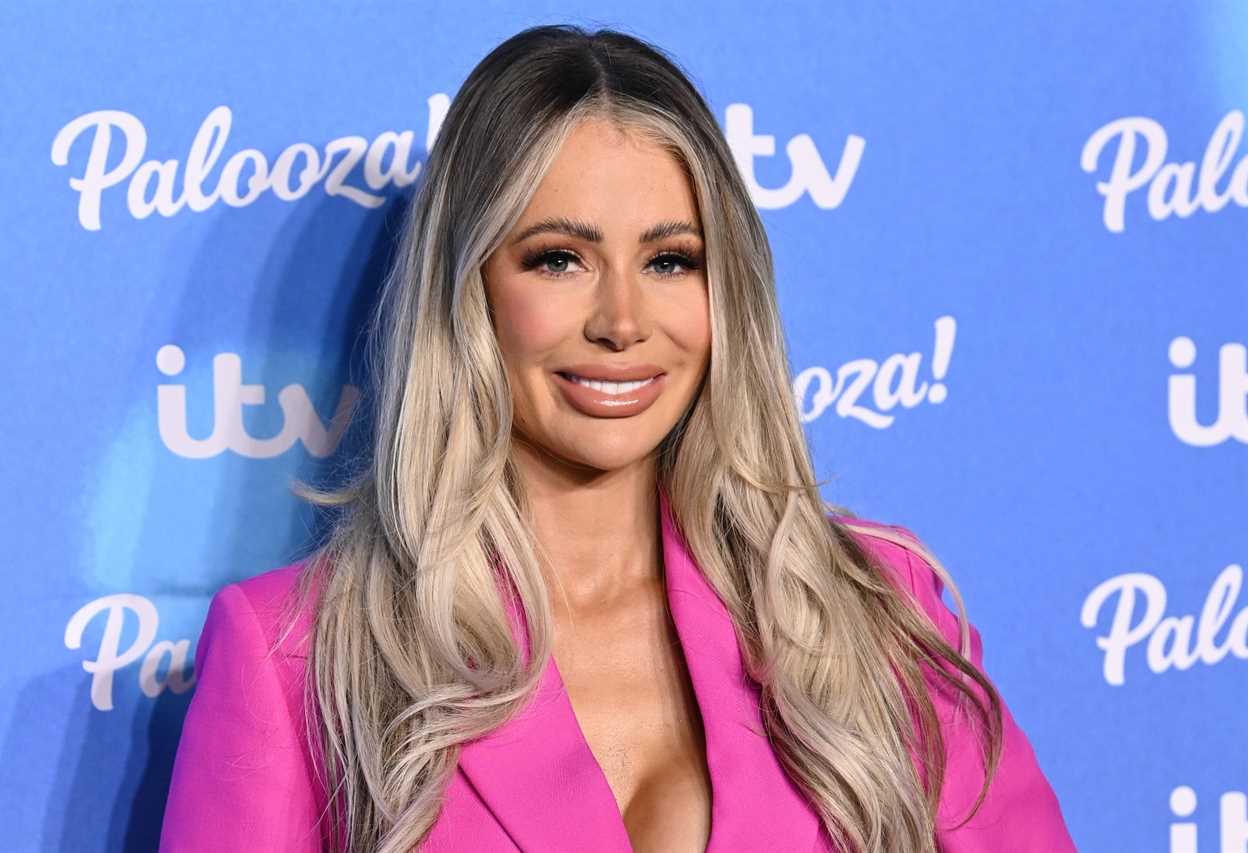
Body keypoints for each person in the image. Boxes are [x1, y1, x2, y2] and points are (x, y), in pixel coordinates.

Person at [158, 24, 1076, 853]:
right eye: (560, 258)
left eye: (671, 260)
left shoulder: (872, 613)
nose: (623, 320)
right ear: (468, 287)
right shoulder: (299, 657)